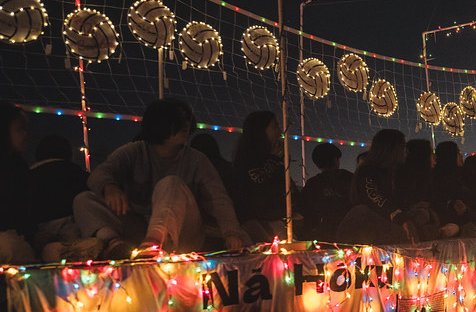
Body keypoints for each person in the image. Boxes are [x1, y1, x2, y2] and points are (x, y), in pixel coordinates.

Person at [73, 98, 246, 259]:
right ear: (161, 124)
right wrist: (109, 186)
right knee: (84, 199)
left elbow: (219, 199)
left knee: (171, 184)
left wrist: (231, 232)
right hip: (137, 227)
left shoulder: (196, 160)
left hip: (183, 233)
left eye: (187, 121)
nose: (186, 125)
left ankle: (153, 246)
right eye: (179, 121)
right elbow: (100, 173)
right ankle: (113, 244)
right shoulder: (134, 152)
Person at [335, 128, 416, 244]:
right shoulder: (367, 171)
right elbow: (373, 198)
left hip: (385, 228)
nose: (406, 151)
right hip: (365, 230)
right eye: (403, 147)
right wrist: (401, 218)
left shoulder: (395, 172)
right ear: (391, 149)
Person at [30, 134, 101, 262]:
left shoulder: (26, 176)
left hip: (41, 232)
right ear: (68, 153)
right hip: (76, 228)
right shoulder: (79, 174)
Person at [231, 111, 297, 243]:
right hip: (258, 226)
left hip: (277, 220)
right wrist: (272, 160)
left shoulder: (275, 160)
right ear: (260, 130)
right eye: (275, 127)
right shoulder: (246, 159)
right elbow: (257, 186)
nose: (279, 132)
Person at [0, 101, 36, 263]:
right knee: (15, 249)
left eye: (27, 129)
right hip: (9, 238)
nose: (27, 134)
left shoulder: (19, 165)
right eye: (21, 129)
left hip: (17, 234)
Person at [297, 142, 352, 241]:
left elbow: (303, 210)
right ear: (336, 160)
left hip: (321, 237)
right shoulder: (350, 178)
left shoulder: (312, 184)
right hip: (351, 232)